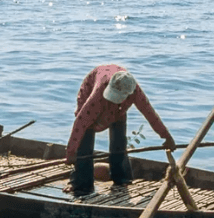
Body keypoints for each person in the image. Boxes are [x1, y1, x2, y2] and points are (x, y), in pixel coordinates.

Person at [64, 64, 176, 196]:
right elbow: (80, 124)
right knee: (85, 139)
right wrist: (71, 151)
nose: (113, 101)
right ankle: (81, 184)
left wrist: (166, 136)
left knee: (119, 141)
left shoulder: (135, 92)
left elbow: (150, 114)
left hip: (119, 110)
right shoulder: (97, 94)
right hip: (93, 93)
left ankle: (121, 178)